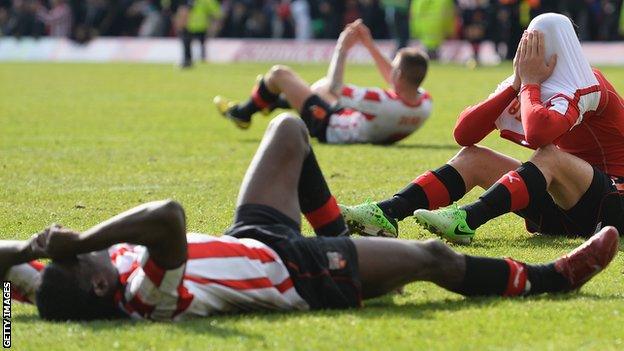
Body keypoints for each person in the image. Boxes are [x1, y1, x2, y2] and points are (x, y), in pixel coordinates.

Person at [2, 113, 619, 321]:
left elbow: (12, 271)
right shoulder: (142, 294)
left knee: (288, 131)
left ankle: (343, 231)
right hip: (297, 274)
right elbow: (166, 216)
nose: (72, 253)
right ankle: (550, 279)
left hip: (255, 237)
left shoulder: (64, 286)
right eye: (81, 259)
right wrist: (84, 236)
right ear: (102, 282)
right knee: (433, 261)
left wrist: (16, 289)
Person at [341, 13, 624, 242]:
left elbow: (539, 134)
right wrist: (516, 84)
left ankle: (467, 219)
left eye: (538, 48)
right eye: (529, 47)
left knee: (549, 156)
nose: (533, 55)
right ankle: (386, 212)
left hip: (613, 204)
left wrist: (531, 84)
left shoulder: (589, 85)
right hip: (567, 206)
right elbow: (464, 133)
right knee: (473, 157)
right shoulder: (530, 80)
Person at [214, 20, 433, 145]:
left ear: (400, 75)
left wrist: (342, 47)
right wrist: (368, 44)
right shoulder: (424, 103)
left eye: (393, 68)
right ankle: (271, 102)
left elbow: (335, 87)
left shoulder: (381, 101)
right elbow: (398, 80)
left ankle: (244, 112)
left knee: (279, 74)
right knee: (315, 88)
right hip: (354, 123)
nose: (390, 71)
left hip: (328, 125)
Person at [175, 0, 222, 68]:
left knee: (189, 44)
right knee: (199, 45)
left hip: (193, 26)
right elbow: (217, 13)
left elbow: (217, 13)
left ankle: (188, 61)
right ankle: (197, 61)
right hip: (198, 26)